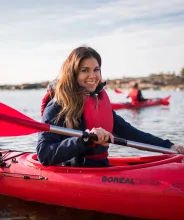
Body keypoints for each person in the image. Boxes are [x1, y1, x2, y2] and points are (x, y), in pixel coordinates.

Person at [36, 46, 184, 167]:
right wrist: (85, 139)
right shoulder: (57, 106)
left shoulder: (98, 102)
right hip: (74, 173)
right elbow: (44, 155)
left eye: (96, 69)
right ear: (72, 74)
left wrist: (168, 146)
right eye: (85, 70)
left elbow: (132, 133)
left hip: (102, 168)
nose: (93, 76)